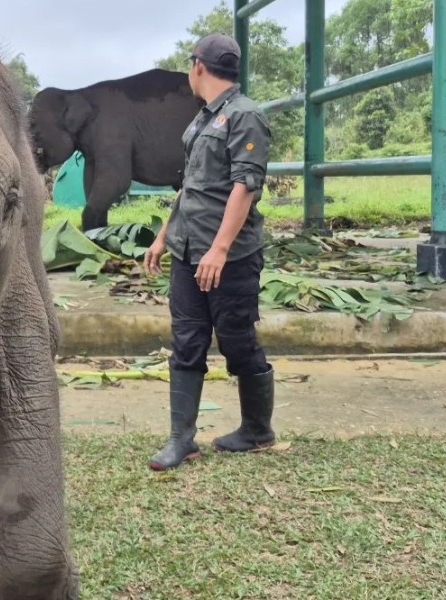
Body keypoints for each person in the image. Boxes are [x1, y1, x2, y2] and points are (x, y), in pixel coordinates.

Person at [143, 33, 275, 471]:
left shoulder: (245, 116)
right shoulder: (201, 120)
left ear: (197, 66)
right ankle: (182, 439)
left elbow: (245, 186)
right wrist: (164, 235)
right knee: (186, 342)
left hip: (229, 258)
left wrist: (218, 250)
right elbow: (189, 187)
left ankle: (257, 430)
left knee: (237, 340)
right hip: (186, 249)